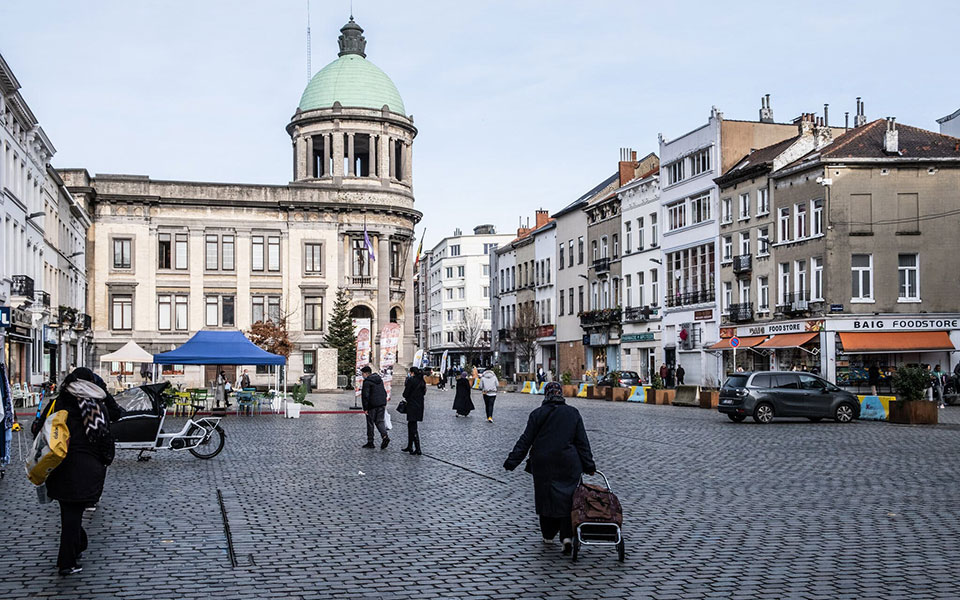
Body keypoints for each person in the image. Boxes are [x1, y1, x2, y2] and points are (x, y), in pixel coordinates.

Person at [32, 368, 124, 576]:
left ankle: (76, 547)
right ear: (91, 383)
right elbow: (107, 434)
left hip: (59, 464)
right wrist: (105, 461)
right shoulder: (96, 402)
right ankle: (67, 561)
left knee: (69, 513)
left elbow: (38, 429)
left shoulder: (60, 400)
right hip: (86, 466)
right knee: (73, 515)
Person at [503, 382, 595, 556]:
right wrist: (589, 465)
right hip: (569, 463)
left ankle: (548, 534)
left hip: (544, 464)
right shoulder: (572, 413)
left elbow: (526, 440)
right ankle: (567, 537)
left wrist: (512, 461)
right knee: (569, 500)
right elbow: (582, 442)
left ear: (545, 395)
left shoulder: (537, 414)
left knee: (546, 498)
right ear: (561, 395)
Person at [360, 365, 390, 449]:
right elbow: (384, 392)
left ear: (366, 374)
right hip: (381, 404)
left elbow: (365, 396)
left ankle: (370, 442)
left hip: (372, 405)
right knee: (380, 421)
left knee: (370, 423)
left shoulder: (367, 382)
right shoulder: (379, 380)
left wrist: (365, 408)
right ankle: (385, 436)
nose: (362, 375)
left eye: (362, 373)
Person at [401, 367, 425, 455]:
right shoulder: (422, 381)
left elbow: (405, 393)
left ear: (412, 373)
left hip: (412, 405)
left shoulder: (412, 381)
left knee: (413, 427)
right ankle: (410, 446)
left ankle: (418, 448)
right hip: (419, 405)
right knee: (411, 425)